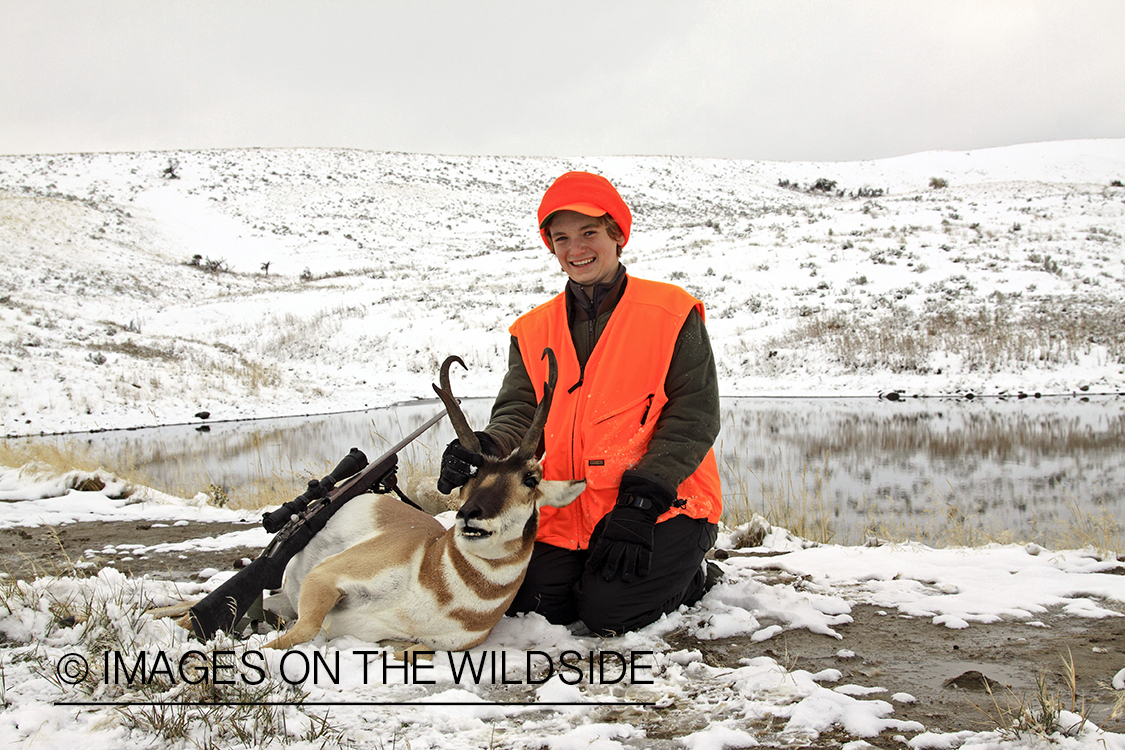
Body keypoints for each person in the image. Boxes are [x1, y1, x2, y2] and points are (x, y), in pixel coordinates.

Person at [439, 171, 722, 636]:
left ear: (616, 234)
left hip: (661, 504)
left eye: (589, 232)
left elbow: (694, 415)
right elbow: (521, 411)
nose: (576, 249)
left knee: (609, 614)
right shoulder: (532, 329)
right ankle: (600, 569)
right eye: (561, 237)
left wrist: (642, 502)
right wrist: (484, 447)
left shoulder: (671, 312)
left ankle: (694, 577)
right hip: (570, 509)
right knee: (532, 605)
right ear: (551, 246)